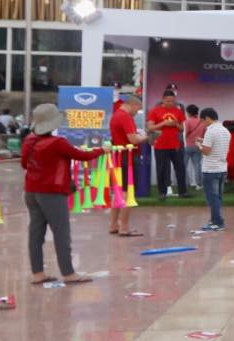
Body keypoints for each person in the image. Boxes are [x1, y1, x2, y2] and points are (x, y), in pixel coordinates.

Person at [21, 102, 106, 284]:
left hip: (31, 192)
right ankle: (68, 273)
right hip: (52, 192)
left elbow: (23, 164)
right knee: (61, 233)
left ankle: (37, 274)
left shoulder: (29, 141)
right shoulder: (57, 143)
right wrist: (102, 150)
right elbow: (82, 156)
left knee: (35, 233)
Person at [108, 90, 145, 237]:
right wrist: (144, 137)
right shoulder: (126, 117)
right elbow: (133, 140)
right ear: (133, 105)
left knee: (117, 192)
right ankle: (124, 227)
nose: (138, 111)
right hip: (127, 159)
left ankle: (113, 224)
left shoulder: (116, 115)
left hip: (118, 157)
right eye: (138, 108)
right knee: (127, 193)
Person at [195, 108, 230, 231]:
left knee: (212, 198)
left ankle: (217, 222)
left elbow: (206, 151)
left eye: (203, 121)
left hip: (210, 170)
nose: (203, 124)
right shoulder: (225, 131)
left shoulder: (210, 131)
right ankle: (216, 220)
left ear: (208, 118)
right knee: (218, 197)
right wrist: (203, 141)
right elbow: (217, 146)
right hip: (222, 168)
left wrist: (199, 145)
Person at [147, 91, 186, 197]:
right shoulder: (154, 111)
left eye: (173, 101)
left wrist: (176, 124)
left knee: (180, 168)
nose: (170, 103)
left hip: (175, 145)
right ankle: (162, 192)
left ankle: (183, 191)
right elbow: (150, 127)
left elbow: (182, 128)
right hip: (160, 145)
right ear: (163, 99)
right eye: (168, 101)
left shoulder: (178, 111)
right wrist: (164, 123)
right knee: (161, 169)